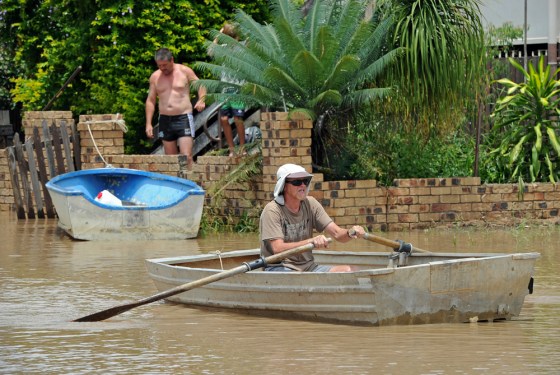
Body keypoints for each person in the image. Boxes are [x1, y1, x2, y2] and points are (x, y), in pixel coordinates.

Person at [260, 163, 366, 272]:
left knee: (351, 270)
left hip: (309, 267)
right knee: (302, 281)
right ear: (284, 186)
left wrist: (350, 232)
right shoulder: (272, 210)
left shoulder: (311, 203)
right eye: (297, 182)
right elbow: (278, 249)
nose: (303, 185)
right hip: (280, 268)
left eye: (305, 181)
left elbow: (337, 233)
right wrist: (311, 241)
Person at [145, 48, 206, 166]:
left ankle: (193, 182)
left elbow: (201, 85)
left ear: (172, 60)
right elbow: (151, 100)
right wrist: (148, 123)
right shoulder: (155, 77)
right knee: (171, 160)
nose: (162, 68)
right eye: (159, 65)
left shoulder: (184, 71)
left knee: (186, 157)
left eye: (165, 65)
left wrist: (202, 99)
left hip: (183, 118)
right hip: (165, 120)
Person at [216, 23, 246, 157]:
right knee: (223, 119)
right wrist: (218, 33)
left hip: (238, 89)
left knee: (238, 118)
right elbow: (210, 50)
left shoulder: (242, 48)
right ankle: (232, 149)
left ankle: (242, 148)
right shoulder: (223, 48)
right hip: (225, 89)